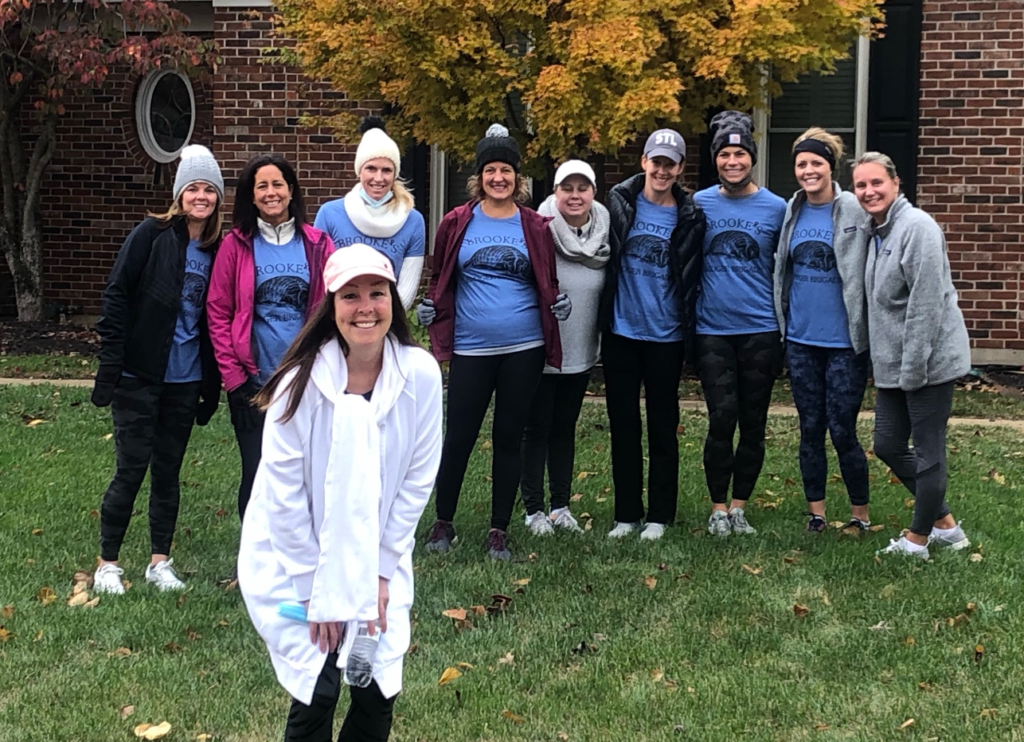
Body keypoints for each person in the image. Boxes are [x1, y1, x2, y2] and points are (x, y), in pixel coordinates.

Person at [239, 243, 443, 741]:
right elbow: (282, 496)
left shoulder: (420, 374)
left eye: (377, 293)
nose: (365, 307)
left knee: (375, 686)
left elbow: (418, 478)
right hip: (295, 557)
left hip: (379, 554)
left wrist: (380, 570)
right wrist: (316, 591)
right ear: (331, 306)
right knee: (319, 685)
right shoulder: (297, 384)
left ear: (393, 300)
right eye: (350, 295)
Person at [417, 124, 571, 560]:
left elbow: (548, 281)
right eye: (490, 170)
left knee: (508, 436)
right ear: (479, 176)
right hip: (470, 347)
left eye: (506, 170)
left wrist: (559, 305)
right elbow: (441, 277)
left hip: (524, 347)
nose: (498, 178)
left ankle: (498, 528)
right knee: (459, 435)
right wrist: (431, 309)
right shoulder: (457, 221)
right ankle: (443, 521)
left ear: (518, 178)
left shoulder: (535, 226)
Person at [91, 145, 224, 594]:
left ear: (218, 198)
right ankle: (108, 563)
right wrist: (113, 362)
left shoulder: (218, 248)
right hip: (139, 375)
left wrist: (212, 383)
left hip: (185, 380)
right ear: (179, 193)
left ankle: (159, 562)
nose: (201, 196)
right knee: (131, 469)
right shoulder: (151, 234)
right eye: (193, 188)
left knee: (168, 471)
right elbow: (116, 296)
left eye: (209, 189)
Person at [852, 152, 972, 560]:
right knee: (886, 443)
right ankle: (947, 528)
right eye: (861, 186)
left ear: (895, 183)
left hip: (928, 362)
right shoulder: (878, 231)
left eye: (876, 183)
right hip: (893, 365)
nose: (869, 191)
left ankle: (918, 540)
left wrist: (915, 368)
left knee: (927, 449)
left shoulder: (917, 228)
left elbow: (925, 305)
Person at [207, 154, 335, 521]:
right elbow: (218, 313)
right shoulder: (236, 245)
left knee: (307, 472)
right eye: (261, 185)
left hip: (306, 380)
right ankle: (254, 563)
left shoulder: (318, 244)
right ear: (251, 195)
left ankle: (303, 557)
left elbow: (333, 310)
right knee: (257, 472)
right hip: (254, 383)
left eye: (277, 184)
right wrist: (234, 381)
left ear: (291, 190)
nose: (270, 192)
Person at [600, 128, 705, 541]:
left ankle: (660, 514)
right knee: (623, 423)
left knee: (663, 425)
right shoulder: (619, 204)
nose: (662, 170)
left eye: (670, 164)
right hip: (622, 330)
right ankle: (627, 513)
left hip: (667, 334)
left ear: (680, 168)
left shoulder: (691, 215)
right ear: (643, 162)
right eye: (655, 161)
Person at [693, 111, 786, 538]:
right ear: (716, 160)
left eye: (740, 154)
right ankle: (716, 508)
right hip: (712, 328)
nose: (733, 161)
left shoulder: (777, 208)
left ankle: (739, 507)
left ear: (752, 158)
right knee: (721, 416)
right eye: (725, 154)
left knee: (753, 421)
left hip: (761, 328)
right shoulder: (698, 204)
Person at [775, 128, 871, 533]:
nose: (809, 170)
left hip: (844, 344)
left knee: (843, 429)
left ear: (831, 167)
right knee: (810, 427)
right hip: (801, 340)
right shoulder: (791, 210)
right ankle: (816, 513)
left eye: (817, 163)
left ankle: (859, 515)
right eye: (802, 164)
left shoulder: (855, 209)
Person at [521, 160, 610, 535]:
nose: (575, 196)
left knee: (564, 428)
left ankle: (560, 507)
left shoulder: (604, 231)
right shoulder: (538, 229)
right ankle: (533, 511)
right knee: (536, 428)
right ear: (555, 192)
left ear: (592, 192)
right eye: (566, 189)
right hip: (543, 347)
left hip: (582, 348)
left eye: (582, 188)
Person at [314, 116, 426, 310]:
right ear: (359, 171)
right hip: (338, 319)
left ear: (395, 173)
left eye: (386, 170)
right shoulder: (329, 214)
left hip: (387, 320)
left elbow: (407, 288)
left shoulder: (413, 220)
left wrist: (380, 318)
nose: (378, 178)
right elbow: (319, 277)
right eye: (371, 168)